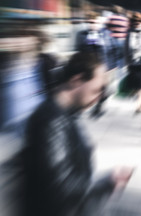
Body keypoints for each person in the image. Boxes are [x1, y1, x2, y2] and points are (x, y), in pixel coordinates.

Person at [15, 51, 134, 216]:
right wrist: (109, 181)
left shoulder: (66, 115)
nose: (100, 97)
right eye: (97, 89)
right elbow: (61, 188)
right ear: (76, 80)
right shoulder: (52, 121)